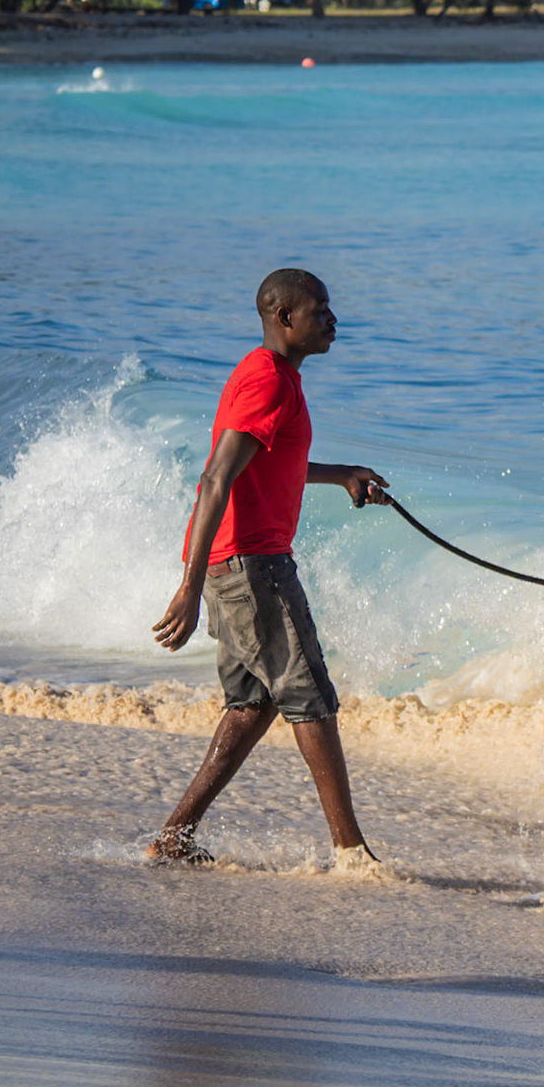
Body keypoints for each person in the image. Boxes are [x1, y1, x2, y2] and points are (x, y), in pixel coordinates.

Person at [148, 268, 390, 870]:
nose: (333, 320)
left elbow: (269, 462)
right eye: (321, 310)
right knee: (311, 696)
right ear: (285, 317)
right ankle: (351, 852)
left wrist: (341, 476)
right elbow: (215, 477)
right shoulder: (268, 381)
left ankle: (173, 838)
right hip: (251, 565)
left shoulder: (275, 376)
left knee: (253, 703)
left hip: (241, 563)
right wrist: (190, 584)